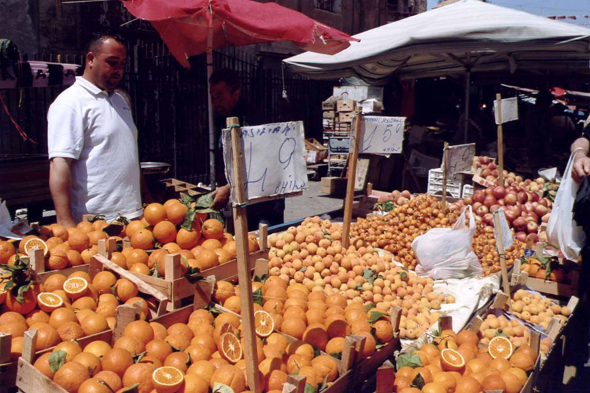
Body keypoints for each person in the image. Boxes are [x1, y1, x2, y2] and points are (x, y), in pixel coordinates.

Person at [48, 33, 149, 227]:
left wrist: (147, 200)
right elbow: (59, 164)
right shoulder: (69, 103)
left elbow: (129, 155)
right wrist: (65, 222)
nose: (118, 70)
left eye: (123, 63)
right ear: (90, 59)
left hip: (134, 219)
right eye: (112, 62)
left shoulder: (120, 100)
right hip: (96, 225)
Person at [209, 69, 285, 230]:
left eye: (219, 96)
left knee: (264, 245)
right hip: (241, 201)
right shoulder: (219, 120)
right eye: (213, 97)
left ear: (236, 94)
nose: (215, 102)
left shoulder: (254, 119)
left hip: (265, 202)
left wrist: (229, 188)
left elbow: (261, 162)